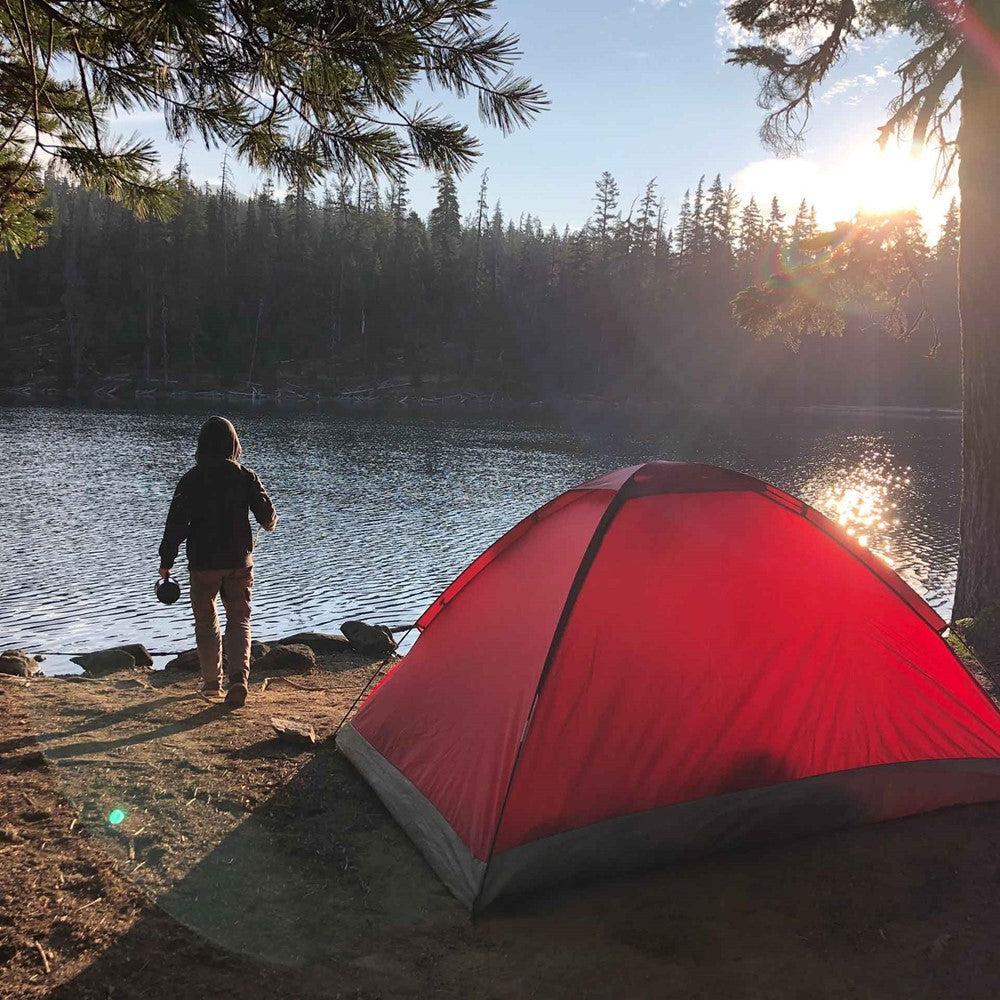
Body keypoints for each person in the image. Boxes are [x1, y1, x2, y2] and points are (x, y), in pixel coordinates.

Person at [158, 416, 278, 707]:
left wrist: (166, 561)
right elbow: (268, 519)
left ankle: (212, 683)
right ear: (233, 444)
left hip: (203, 564)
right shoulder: (245, 476)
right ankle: (238, 679)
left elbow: (175, 524)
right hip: (239, 561)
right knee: (239, 619)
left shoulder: (191, 478)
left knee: (206, 619)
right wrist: (269, 519)